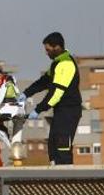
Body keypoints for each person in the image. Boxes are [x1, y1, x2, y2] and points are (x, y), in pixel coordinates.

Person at [18, 32, 81, 165]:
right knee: (53, 142)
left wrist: (38, 109)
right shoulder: (57, 63)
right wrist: (26, 94)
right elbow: (44, 81)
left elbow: (56, 93)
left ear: (56, 47)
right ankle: (55, 170)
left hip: (69, 111)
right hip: (61, 111)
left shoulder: (65, 64)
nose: (46, 53)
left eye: (48, 49)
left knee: (62, 145)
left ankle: (66, 179)